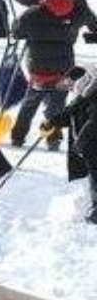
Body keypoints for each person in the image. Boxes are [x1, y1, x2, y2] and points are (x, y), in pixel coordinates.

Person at [10, 0, 89, 150]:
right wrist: (75, 3)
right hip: (64, 70)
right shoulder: (73, 11)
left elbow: (16, 33)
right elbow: (86, 16)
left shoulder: (32, 13)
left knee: (30, 104)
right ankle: (53, 139)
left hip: (38, 70)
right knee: (57, 106)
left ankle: (18, 136)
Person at [42, 66, 97, 224]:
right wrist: (51, 123)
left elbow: (94, 122)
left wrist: (81, 141)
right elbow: (70, 113)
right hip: (88, 146)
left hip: (91, 143)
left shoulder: (92, 95)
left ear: (81, 81)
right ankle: (92, 207)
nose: (70, 87)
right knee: (92, 176)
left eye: (71, 83)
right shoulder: (84, 94)